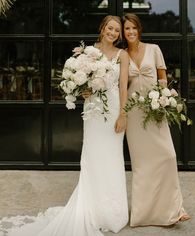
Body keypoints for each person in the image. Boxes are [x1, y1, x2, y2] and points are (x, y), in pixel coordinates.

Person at [1, 15, 129, 236]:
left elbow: (123, 88)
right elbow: (80, 83)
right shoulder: (89, 52)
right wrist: (84, 91)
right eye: (110, 28)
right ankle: (92, 209)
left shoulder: (122, 55)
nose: (113, 33)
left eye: (117, 30)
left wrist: (123, 116)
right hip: (93, 113)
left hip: (113, 111)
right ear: (102, 28)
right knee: (93, 157)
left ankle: (112, 212)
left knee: (113, 157)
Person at [123, 13, 190, 227]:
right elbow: (119, 87)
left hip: (156, 112)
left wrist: (163, 101)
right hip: (134, 117)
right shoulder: (122, 55)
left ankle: (173, 209)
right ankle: (144, 214)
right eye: (127, 29)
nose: (130, 32)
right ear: (123, 33)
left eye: (133, 28)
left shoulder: (154, 49)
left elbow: (162, 78)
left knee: (168, 157)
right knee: (143, 165)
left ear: (139, 29)